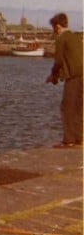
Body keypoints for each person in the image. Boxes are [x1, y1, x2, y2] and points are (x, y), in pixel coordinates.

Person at [45, 13, 83, 147]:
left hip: (72, 77)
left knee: (67, 107)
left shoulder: (61, 39)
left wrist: (53, 76)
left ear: (58, 26)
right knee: (78, 108)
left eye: (53, 28)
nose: (53, 31)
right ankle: (79, 138)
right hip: (82, 76)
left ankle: (69, 140)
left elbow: (59, 60)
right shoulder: (76, 37)